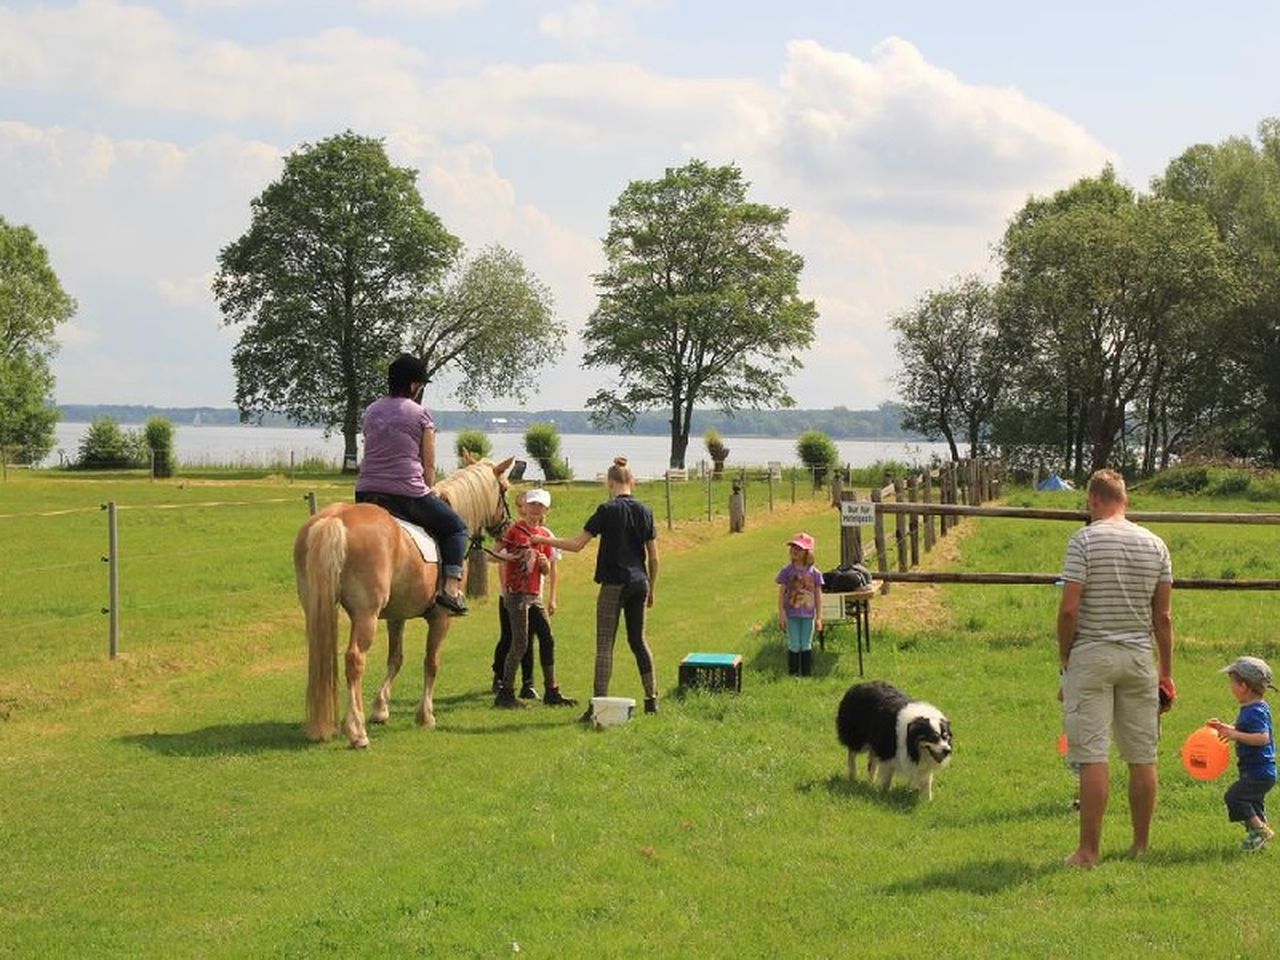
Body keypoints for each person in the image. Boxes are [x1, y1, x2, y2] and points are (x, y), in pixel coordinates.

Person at [1057, 468, 1175, 868]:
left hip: (1092, 655)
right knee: (1143, 756)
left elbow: (1070, 609)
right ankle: (1140, 846)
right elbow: (1163, 618)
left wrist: (1065, 659)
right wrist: (1166, 672)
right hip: (1140, 658)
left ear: (1093, 500)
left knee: (1094, 755)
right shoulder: (1156, 544)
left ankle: (1089, 851)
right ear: (1125, 500)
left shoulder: (1084, 541)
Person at [533, 456, 660, 719]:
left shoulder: (607, 510)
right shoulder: (645, 511)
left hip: (613, 584)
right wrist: (652, 588)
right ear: (632, 482)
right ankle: (652, 700)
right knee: (638, 641)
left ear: (609, 483)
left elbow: (577, 544)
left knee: (605, 645)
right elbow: (654, 557)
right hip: (640, 582)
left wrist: (541, 538)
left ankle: (597, 706)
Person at [354, 353, 469, 615]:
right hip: (406, 494)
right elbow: (428, 464)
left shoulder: (371, 411)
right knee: (456, 528)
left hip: (366, 491)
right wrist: (429, 489)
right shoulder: (421, 415)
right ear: (414, 385)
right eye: (420, 385)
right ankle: (451, 589)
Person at [491, 488, 576, 709]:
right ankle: (505, 693)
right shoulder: (514, 530)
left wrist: (542, 562)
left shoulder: (545, 536)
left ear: (546, 509)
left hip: (534, 594)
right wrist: (513, 556)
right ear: (525, 506)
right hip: (516, 593)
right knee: (520, 643)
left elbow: (547, 570)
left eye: (540, 506)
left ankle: (552, 691)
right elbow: (493, 554)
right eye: (533, 504)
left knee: (547, 638)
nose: (535, 509)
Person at [1207, 656, 1276, 851]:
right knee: (1253, 803)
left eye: (1233, 683)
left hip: (1258, 772)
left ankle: (1261, 830)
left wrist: (1234, 734)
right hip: (1257, 770)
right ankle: (1257, 841)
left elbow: (1263, 738)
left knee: (1234, 797)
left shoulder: (1254, 710)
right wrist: (1225, 728)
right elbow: (1246, 730)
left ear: (1244, 686)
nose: (1231, 688)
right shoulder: (1254, 708)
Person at [775, 532, 823, 677]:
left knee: (806, 644)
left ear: (807, 552)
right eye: (793, 547)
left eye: (799, 548)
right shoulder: (786, 571)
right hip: (792, 614)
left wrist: (819, 617)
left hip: (808, 615)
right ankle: (794, 674)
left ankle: (806, 674)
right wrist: (782, 613)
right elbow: (782, 593)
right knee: (794, 644)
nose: (795, 550)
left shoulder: (815, 573)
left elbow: (818, 595)